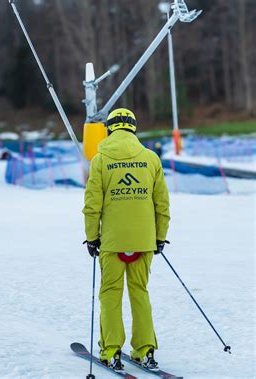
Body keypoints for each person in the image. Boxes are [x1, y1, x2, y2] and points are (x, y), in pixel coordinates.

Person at [82, 108, 170, 372]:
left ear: (108, 129)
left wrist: (91, 238)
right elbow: (162, 204)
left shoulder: (100, 160)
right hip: (143, 240)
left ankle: (111, 350)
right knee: (139, 292)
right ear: (133, 128)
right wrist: (160, 236)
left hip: (111, 241)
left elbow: (92, 205)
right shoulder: (151, 158)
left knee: (110, 293)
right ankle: (145, 350)